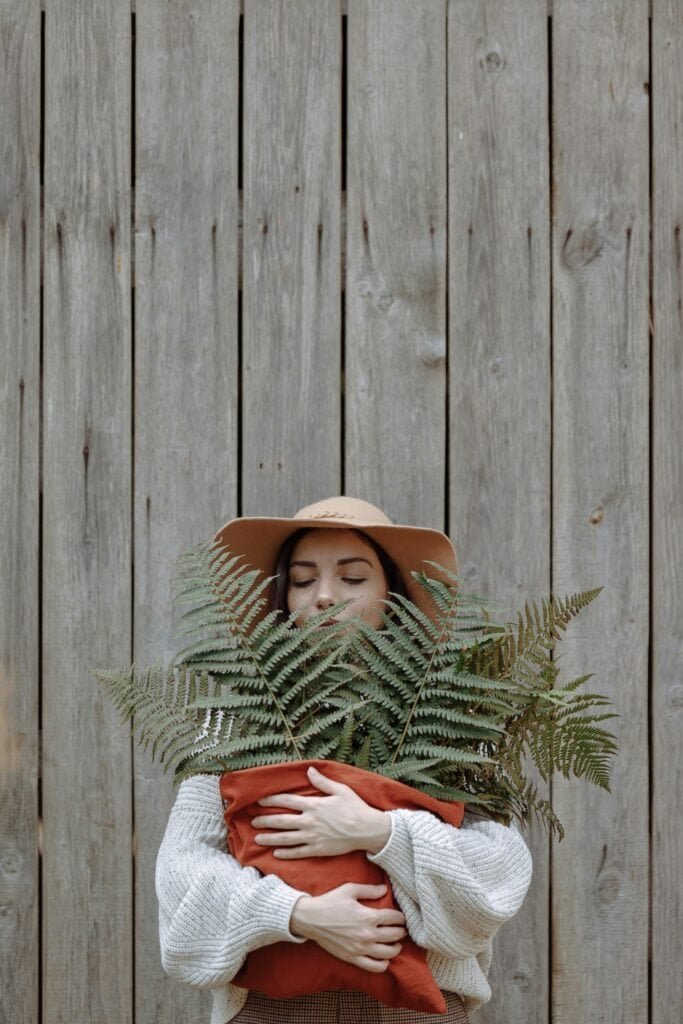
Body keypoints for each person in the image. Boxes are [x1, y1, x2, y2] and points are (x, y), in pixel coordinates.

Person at [155, 496, 533, 1024]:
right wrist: (299, 914)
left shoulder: (455, 712)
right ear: (281, 595)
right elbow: (180, 873)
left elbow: (498, 872)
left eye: (353, 579)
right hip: (270, 1009)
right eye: (304, 580)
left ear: (393, 593)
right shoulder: (234, 715)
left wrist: (379, 831)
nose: (325, 597)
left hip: (419, 1009)